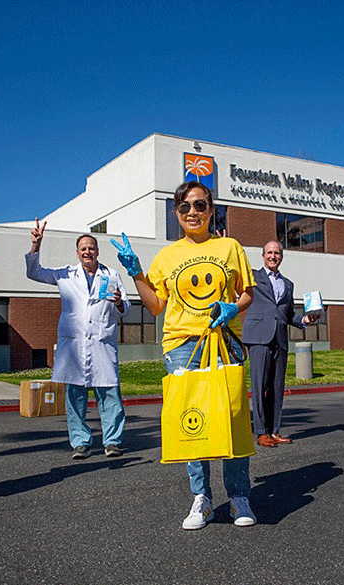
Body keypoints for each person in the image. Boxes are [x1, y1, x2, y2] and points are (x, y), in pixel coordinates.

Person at [111, 180, 257, 530]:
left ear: (211, 209)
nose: (192, 212)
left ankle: (238, 496)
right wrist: (136, 273)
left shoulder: (229, 247)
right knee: (193, 420)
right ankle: (202, 498)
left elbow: (248, 293)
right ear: (176, 213)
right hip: (181, 345)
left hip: (222, 341)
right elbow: (156, 305)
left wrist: (231, 308)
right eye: (184, 207)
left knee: (233, 416)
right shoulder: (166, 256)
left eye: (200, 205)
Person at [26, 224, 129, 460]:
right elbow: (34, 272)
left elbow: (126, 307)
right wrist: (36, 244)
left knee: (110, 395)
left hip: (102, 344)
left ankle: (112, 442)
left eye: (91, 248)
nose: (87, 252)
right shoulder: (65, 274)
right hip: (74, 346)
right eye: (83, 249)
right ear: (77, 252)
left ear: (97, 251)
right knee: (75, 396)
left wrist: (120, 303)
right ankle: (80, 443)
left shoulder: (112, 275)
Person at [242, 241, 318, 448]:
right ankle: (260, 432)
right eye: (269, 252)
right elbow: (233, 272)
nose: (273, 256)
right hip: (259, 337)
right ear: (263, 255)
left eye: (277, 253)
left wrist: (304, 321)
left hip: (280, 338)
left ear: (281, 256)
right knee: (259, 386)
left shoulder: (288, 284)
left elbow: (289, 314)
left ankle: (274, 430)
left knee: (277, 387)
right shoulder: (253, 276)